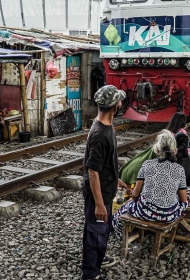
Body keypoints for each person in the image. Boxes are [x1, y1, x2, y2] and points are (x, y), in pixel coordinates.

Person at [81, 85, 129, 280]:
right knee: (95, 231)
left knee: (101, 228)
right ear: (114, 106)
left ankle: (98, 259)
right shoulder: (101, 134)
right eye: (119, 100)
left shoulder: (105, 125)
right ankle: (90, 273)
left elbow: (102, 166)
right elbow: (93, 171)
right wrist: (99, 203)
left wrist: (115, 178)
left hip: (105, 187)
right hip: (98, 192)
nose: (121, 102)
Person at [112, 130, 190, 239]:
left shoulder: (147, 164)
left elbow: (135, 195)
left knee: (119, 212)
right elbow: (184, 200)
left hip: (144, 212)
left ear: (157, 149)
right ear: (174, 150)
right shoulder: (179, 169)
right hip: (169, 215)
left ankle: (121, 236)